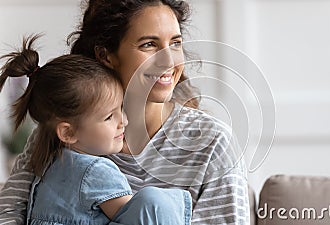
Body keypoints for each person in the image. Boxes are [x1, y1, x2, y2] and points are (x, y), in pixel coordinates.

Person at [0, 0, 250, 224]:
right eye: (149, 44)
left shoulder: (212, 143)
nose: (168, 61)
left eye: (175, 43)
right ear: (106, 55)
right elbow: (8, 213)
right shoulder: (68, 131)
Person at [0, 35, 192, 225]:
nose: (123, 121)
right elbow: (141, 215)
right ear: (67, 133)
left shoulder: (48, 158)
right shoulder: (98, 172)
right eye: (109, 117)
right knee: (156, 203)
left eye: (121, 109)